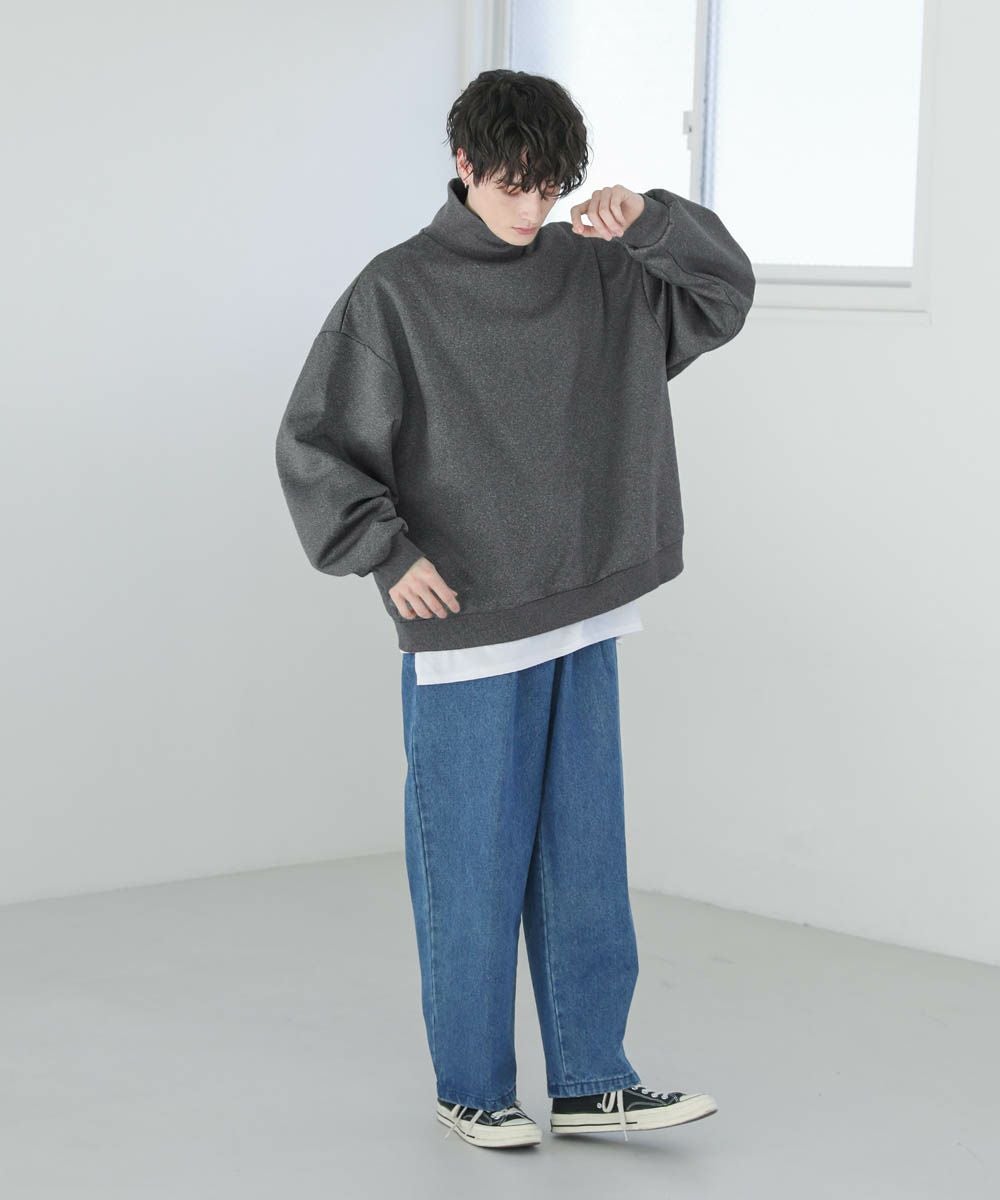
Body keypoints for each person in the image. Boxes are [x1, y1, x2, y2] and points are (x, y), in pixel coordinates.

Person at [275, 69, 755, 1149]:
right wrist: (384, 553)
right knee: (470, 866)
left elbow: (722, 294)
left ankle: (592, 1078)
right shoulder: (396, 292)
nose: (531, 207)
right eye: (511, 184)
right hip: (469, 626)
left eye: (550, 187)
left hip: (581, 606)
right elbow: (314, 439)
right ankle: (472, 1086)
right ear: (462, 163)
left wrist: (652, 223)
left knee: (584, 861)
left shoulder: (599, 270)